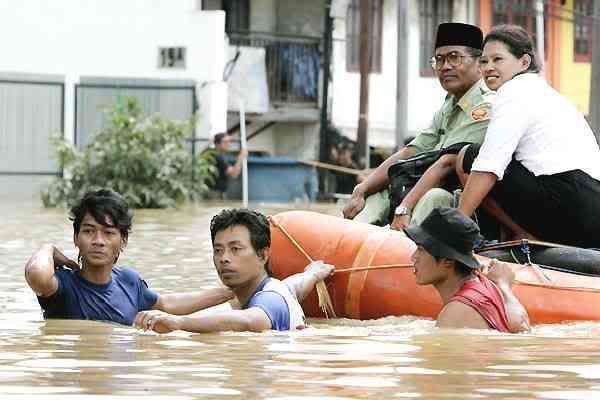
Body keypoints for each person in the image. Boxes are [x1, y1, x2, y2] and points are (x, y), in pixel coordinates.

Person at [457, 25, 600, 248]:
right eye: (484, 61)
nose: (488, 68)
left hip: (572, 200)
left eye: (498, 59)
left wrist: (453, 225)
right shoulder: (543, 91)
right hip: (591, 206)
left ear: (524, 62)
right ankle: (520, 235)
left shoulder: (513, 91)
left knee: (468, 157)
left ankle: (525, 236)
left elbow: (489, 164)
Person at [343, 22, 495, 230]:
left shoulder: (486, 106)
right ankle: (350, 248)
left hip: (468, 205)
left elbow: (445, 165)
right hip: (424, 187)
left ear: (479, 63)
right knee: (376, 191)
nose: (445, 67)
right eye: (439, 60)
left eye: (454, 57)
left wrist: (404, 207)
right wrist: (362, 188)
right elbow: (411, 151)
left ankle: (406, 256)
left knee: (434, 197)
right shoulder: (449, 105)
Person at [24, 189, 234, 326]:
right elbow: (36, 274)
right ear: (76, 238)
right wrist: (49, 249)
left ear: (122, 241)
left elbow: (167, 304)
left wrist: (230, 292)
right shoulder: (64, 285)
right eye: (89, 231)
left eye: (108, 233)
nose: (98, 240)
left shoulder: (129, 281)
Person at [134, 208, 334, 333]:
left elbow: (249, 321)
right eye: (218, 250)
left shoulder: (269, 299)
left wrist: (179, 323)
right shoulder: (277, 288)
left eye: (235, 249)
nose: (224, 258)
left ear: (263, 255)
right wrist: (312, 274)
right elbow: (295, 286)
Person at [405, 207, 530, 332]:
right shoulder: (483, 284)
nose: (413, 257)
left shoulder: (456, 314)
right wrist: (503, 285)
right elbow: (520, 325)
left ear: (448, 260)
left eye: (421, 250)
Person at [205, 132, 248, 199]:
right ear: (217, 143)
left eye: (229, 141)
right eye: (225, 142)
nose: (228, 144)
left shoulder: (213, 153)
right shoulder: (217, 156)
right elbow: (234, 173)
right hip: (215, 193)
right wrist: (240, 158)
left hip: (214, 191)